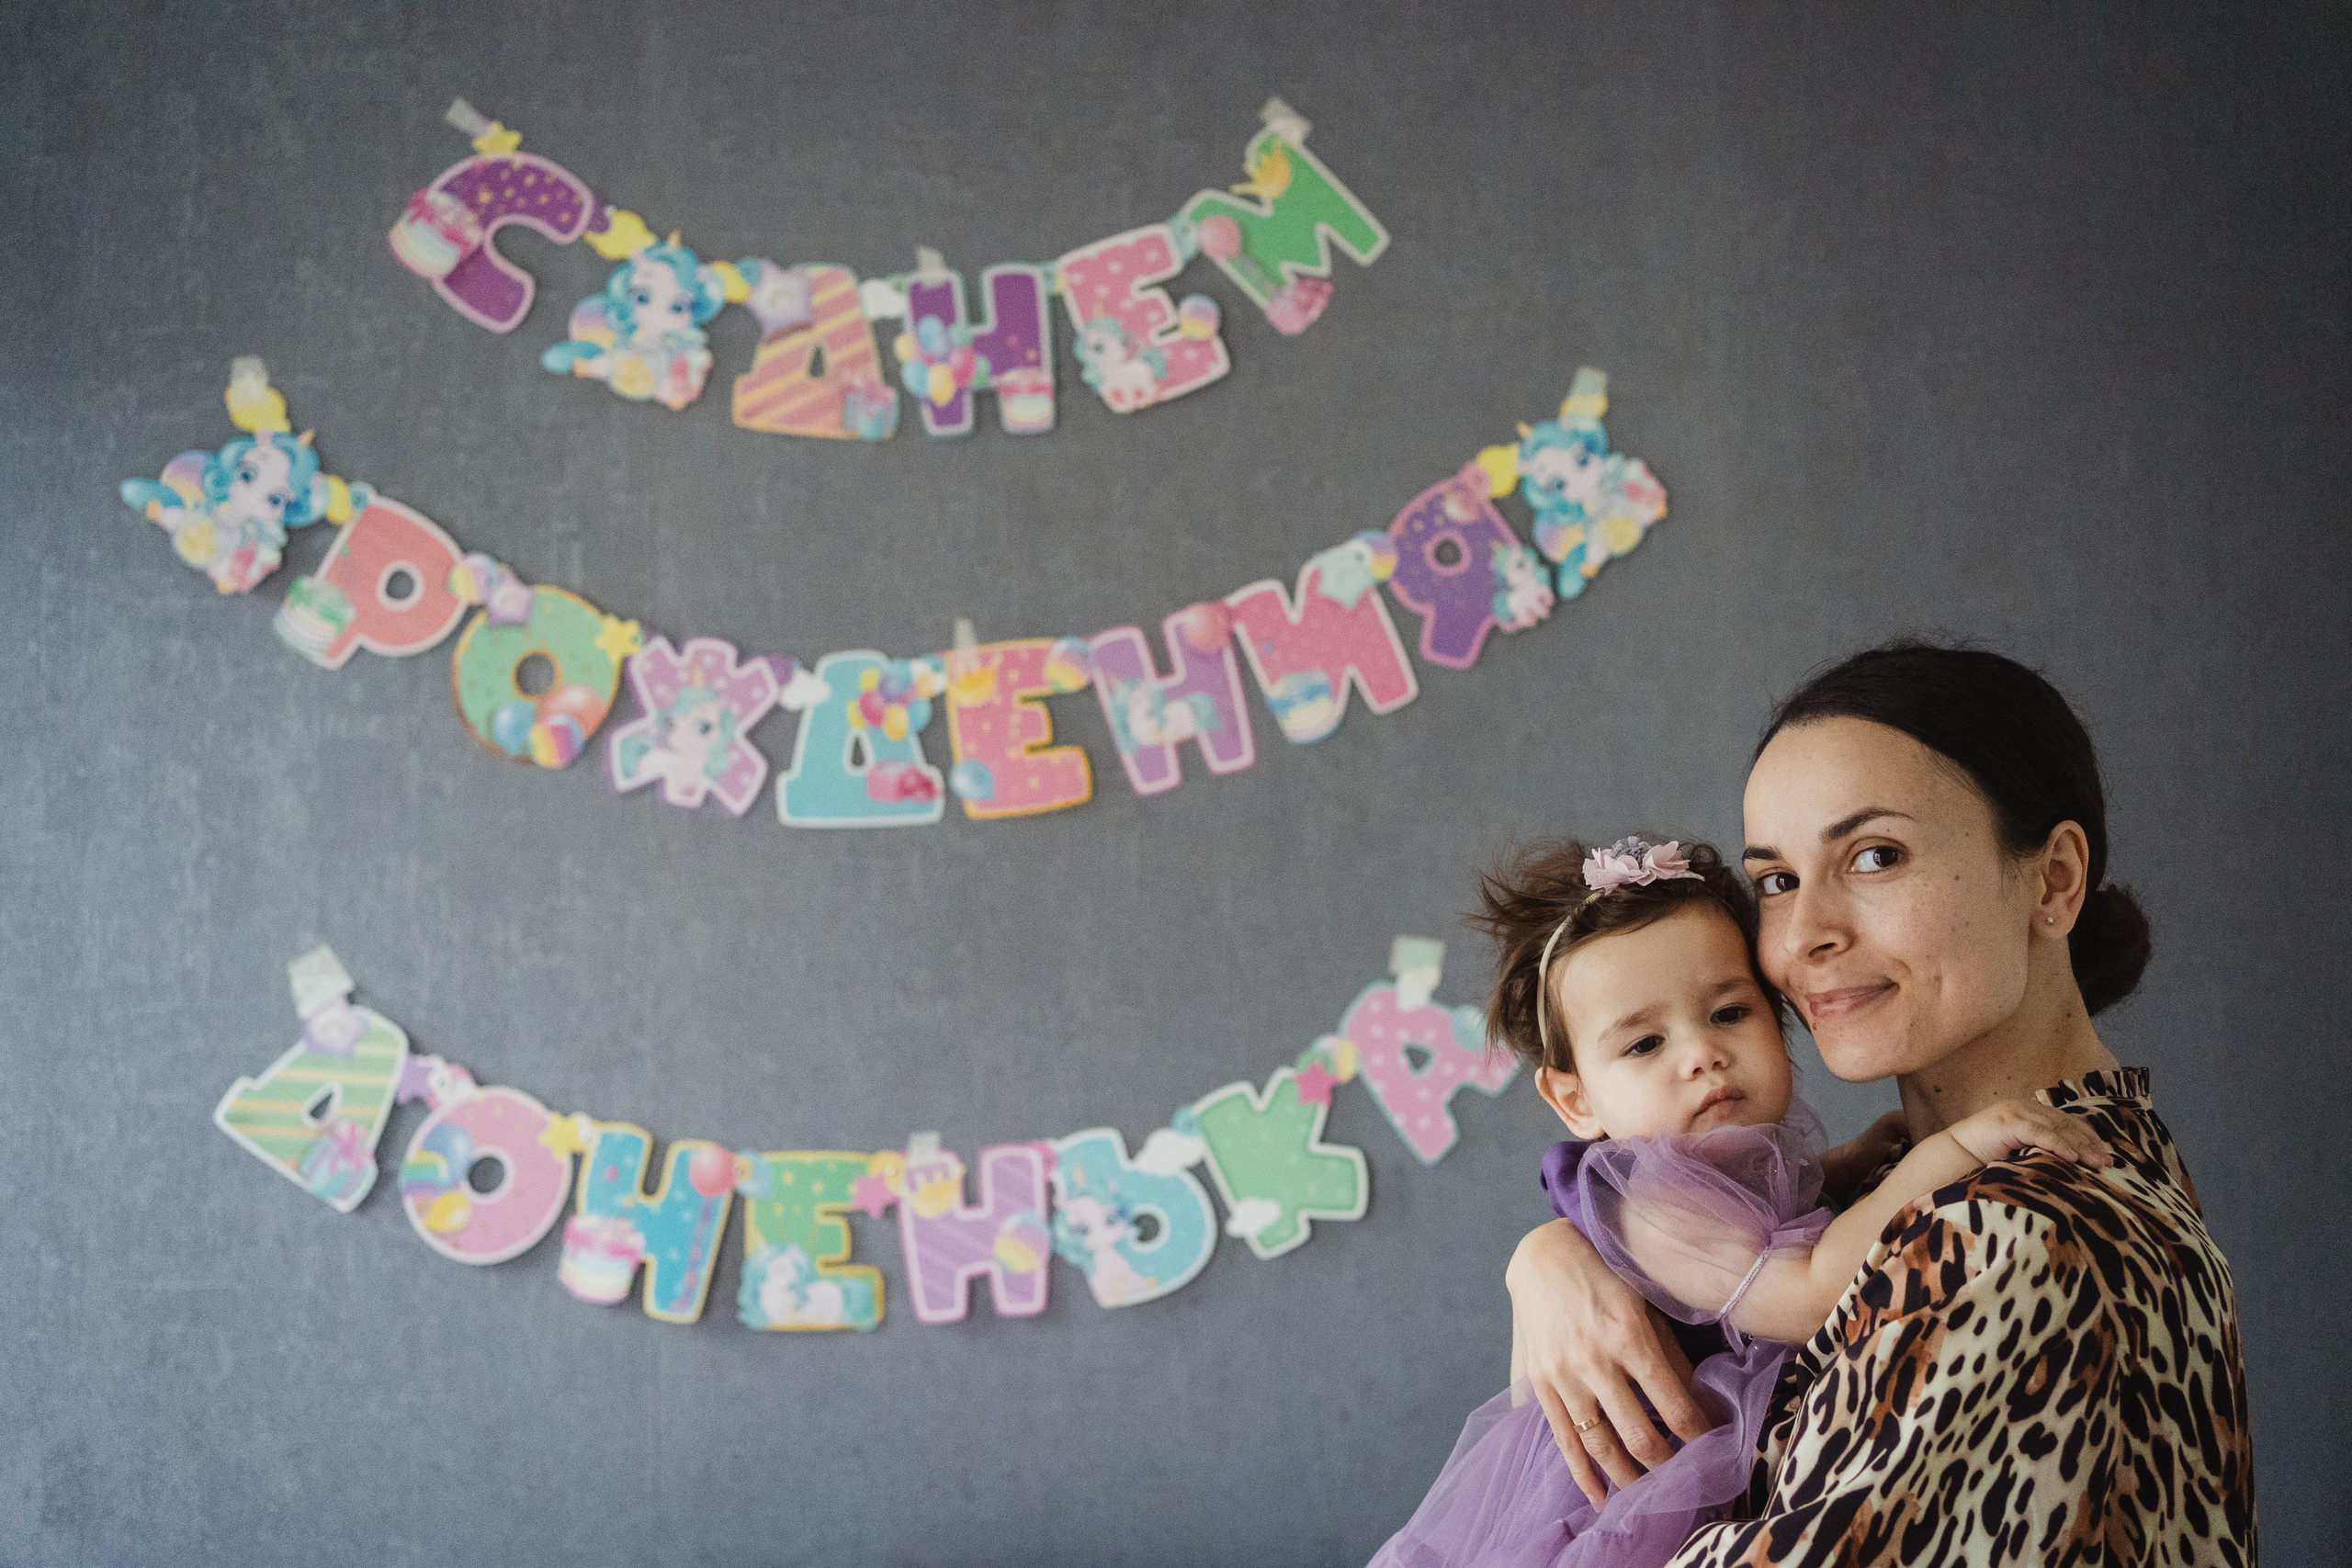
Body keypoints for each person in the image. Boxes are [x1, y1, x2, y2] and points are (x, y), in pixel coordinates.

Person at [1502, 642, 2256, 1564]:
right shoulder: (2054, 1157)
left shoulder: (2010, 1227)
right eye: (1776, 880)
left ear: (2052, 880)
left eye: (1875, 855)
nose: (1807, 934)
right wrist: (1557, 1253)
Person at [1367, 836, 2110, 1567]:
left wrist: (1854, 1166)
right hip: (1641, 1496)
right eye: (1644, 1045)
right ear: (1574, 1098)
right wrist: (1950, 1148)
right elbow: (1803, 1290)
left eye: (1728, 1013)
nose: (1701, 1053)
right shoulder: (1646, 1198)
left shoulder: (1728, 1165)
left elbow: (1778, 1218)